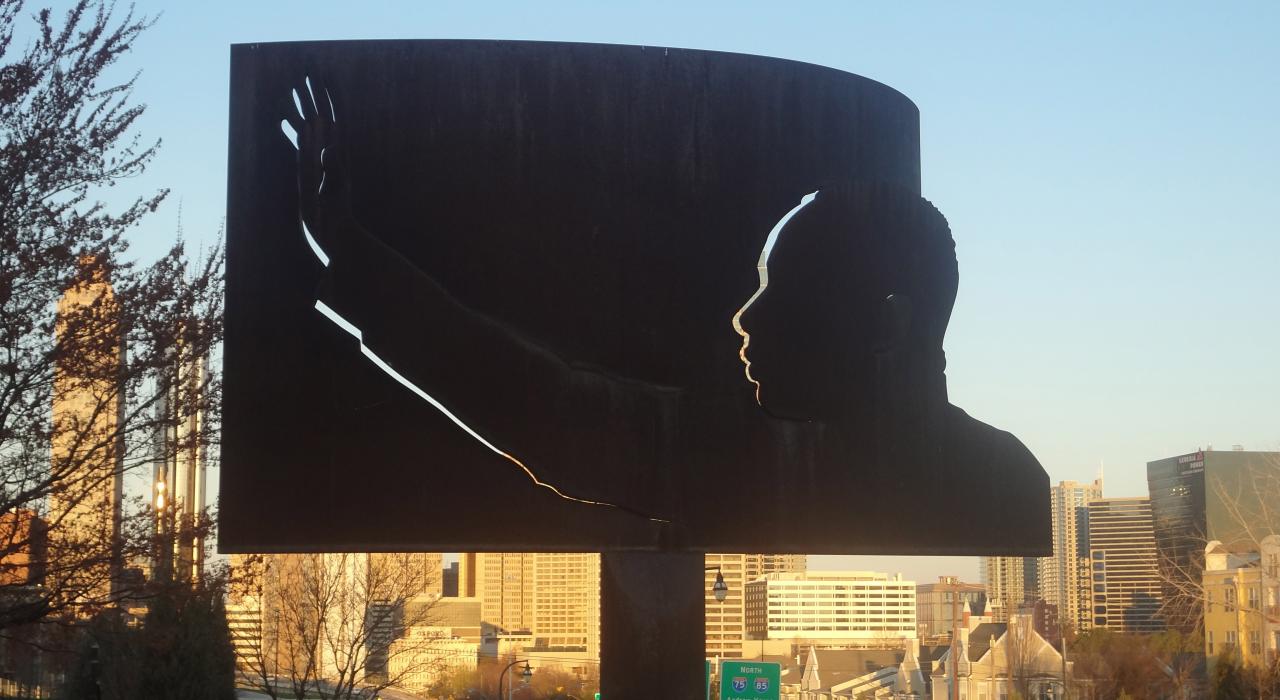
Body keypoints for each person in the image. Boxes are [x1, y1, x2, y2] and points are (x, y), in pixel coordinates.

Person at [282, 77, 1049, 551]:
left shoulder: (997, 483)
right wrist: (353, 257)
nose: (746, 319)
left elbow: (545, 408)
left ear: (886, 325)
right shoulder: (1002, 478)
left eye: (786, 293)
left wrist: (350, 253)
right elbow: (543, 404)